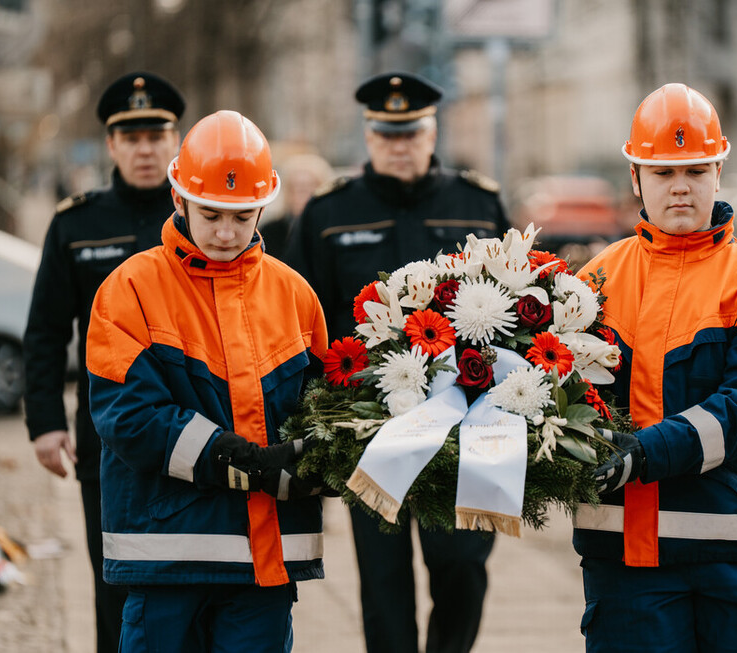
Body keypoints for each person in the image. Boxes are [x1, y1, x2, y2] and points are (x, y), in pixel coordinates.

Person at [85, 110, 329, 651]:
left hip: (264, 568)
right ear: (179, 201)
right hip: (166, 561)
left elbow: (324, 408)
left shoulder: (295, 295)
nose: (225, 232)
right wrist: (232, 458)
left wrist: (321, 458)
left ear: (262, 208)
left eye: (242, 217)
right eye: (211, 214)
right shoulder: (129, 290)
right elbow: (128, 418)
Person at [572, 83, 737, 652]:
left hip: (734, 552)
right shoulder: (593, 283)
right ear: (636, 180)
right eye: (663, 172)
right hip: (625, 559)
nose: (680, 187)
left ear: (718, 172)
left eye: (696, 171)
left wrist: (647, 452)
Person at [285, 71, 510, 653]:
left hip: (467, 425)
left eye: (411, 132)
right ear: (368, 135)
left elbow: (516, 303)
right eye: (387, 134)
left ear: (432, 132)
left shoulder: (477, 204)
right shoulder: (329, 213)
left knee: (462, 565)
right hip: (367, 427)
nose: (400, 145)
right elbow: (298, 318)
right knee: (383, 583)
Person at [22, 71, 185, 653]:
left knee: (195, 588)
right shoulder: (76, 224)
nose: (144, 149)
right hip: (108, 441)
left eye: (156, 135)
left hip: (197, 428)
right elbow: (44, 332)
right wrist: (44, 421)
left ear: (175, 140)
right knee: (114, 585)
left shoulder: (202, 220)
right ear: (112, 145)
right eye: (131, 137)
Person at [259, 153, 333, 259]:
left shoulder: (331, 231)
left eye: (308, 187)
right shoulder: (271, 231)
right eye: (295, 187)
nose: (300, 194)